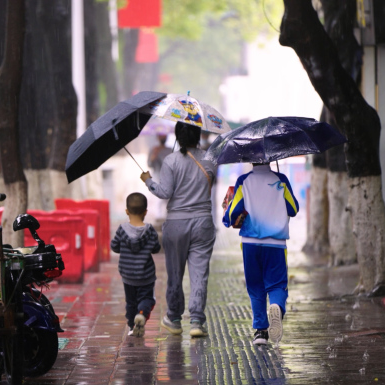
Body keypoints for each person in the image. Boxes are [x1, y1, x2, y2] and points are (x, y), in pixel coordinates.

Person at [140, 121, 216, 338]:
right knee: (199, 273)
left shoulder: (171, 160)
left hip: (176, 224)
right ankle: (197, 322)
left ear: (177, 136)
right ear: (198, 135)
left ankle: (174, 318)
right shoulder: (210, 159)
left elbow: (165, 192)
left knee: (175, 273)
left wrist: (148, 181)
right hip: (203, 223)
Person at [222, 162, 299, 345]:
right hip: (276, 243)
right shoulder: (281, 179)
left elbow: (234, 211)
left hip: (250, 243)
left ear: (252, 159)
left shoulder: (244, 180)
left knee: (255, 286)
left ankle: (260, 332)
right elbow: (293, 209)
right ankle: (276, 307)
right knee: (277, 284)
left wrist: (227, 218)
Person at [110, 192, 161, 338]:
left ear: (127, 211)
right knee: (147, 299)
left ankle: (132, 327)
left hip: (128, 275)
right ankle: (142, 314)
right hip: (145, 275)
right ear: (145, 212)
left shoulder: (121, 230)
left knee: (131, 302)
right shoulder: (150, 230)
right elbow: (156, 248)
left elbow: (114, 247)